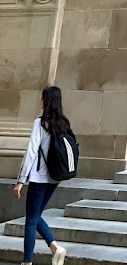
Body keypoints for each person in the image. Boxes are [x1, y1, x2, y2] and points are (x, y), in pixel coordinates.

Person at [14, 86, 70, 265]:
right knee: (35, 215)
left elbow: (31, 152)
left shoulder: (40, 123)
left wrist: (20, 181)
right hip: (55, 177)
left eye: (42, 98)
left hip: (39, 177)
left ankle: (27, 262)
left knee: (31, 219)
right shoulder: (64, 123)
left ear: (46, 101)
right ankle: (54, 247)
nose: (40, 101)